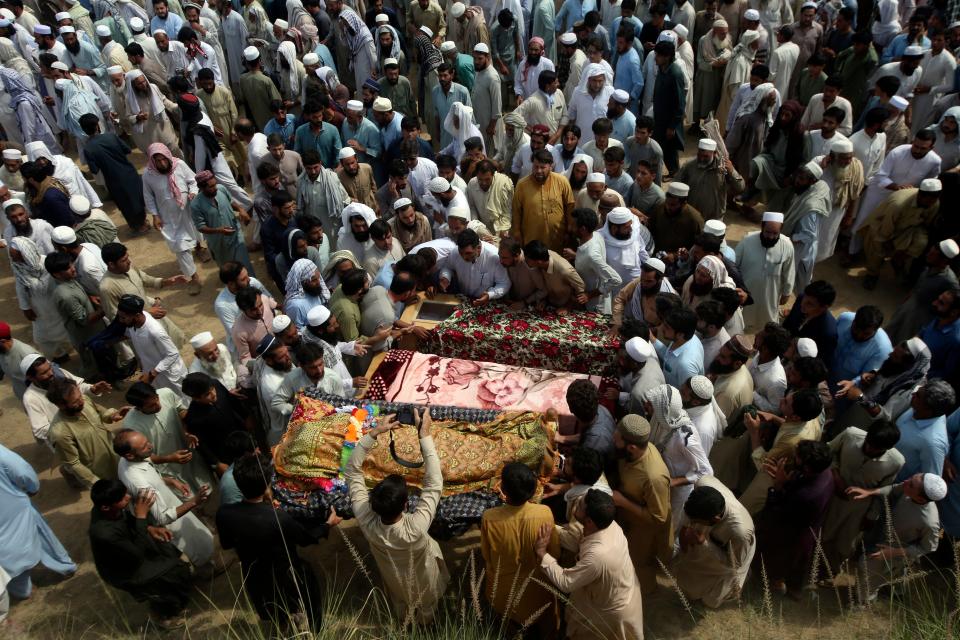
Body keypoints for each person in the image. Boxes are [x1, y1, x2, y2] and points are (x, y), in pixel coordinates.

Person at [345, 408, 448, 622]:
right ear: (406, 504)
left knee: (401, 603)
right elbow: (434, 483)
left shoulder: (366, 520)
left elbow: (352, 471)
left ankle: (406, 624)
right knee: (428, 605)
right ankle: (427, 625)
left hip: (394, 580)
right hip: (425, 580)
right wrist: (424, 434)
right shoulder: (416, 528)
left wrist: (375, 433)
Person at [217, 451, 335, 630]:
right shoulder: (278, 518)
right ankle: (316, 629)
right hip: (287, 573)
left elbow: (227, 544)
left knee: (272, 606)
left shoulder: (224, 514)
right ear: (267, 484)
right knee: (310, 597)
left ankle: (283, 625)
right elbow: (305, 539)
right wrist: (328, 524)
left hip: (254, 574)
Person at [535, 488, 645, 640]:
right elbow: (580, 540)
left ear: (588, 521)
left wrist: (542, 553)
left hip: (611, 612)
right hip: (614, 593)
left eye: (579, 505)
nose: (576, 505)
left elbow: (566, 582)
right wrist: (553, 528)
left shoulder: (598, 555)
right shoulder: (609, 524)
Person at [88, 479, 192, 630]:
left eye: (126, 493)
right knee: (175, 571)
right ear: (105, 507)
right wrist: (141, 517)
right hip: (126, 570)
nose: (128, 497)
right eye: (123, 498)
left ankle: (169, 597)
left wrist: (149, 528)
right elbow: (137, 555)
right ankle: (162, 614)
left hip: (131, 551)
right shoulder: (104, 533)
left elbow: (127, 521)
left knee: (169, 553)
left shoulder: (108, 509)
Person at [114, 429, 214, 567]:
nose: (150, 446)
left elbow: (148, 466)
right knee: (192, 546)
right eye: (144, 446)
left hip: (171, 505)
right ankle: (207, 569)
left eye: (147, 441)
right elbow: (163, 517)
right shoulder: (139, 484)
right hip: (170, 520)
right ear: (130, 455)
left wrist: (170, 481)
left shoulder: (127, 459)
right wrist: (194, 501)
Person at [478, 462, 559, 634]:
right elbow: (555, 553)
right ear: (533, 489)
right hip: (539, 594)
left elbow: (487, 556)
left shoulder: (489, 518)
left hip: (502, 597)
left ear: (504, 490)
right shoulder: (545, 512)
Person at [849, 472, 947, 604]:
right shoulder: (908, 488)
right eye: (911, 478)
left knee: (868, 576)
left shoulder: (929, 521)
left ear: (921, 499)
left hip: (892, 553)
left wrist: (892, 553)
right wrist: (870, 492)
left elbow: (928, 547)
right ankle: (894, 591)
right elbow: (893, 488)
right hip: (880, 537)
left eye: (911, 484)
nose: (905, 481)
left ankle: (863, 603)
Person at [752, 439, 834, 597]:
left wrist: (778, 486)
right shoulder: (825, 472)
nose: (793, 458)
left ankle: (776, 587)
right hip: (806, 529)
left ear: (807, 467)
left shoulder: (806, 495)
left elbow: (775, 513)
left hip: (789, 535)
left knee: (777, 564)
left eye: (797, 457)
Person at [821, 420, 905, 570]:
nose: (869, 449)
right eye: (868, 443)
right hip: (831, 494)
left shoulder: (896, 462)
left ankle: (831, 571)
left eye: (876, 449)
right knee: (823, 533)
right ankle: (814, 565)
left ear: (889, 448)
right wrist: (835, 474)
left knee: (846, 544)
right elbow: (828, 451)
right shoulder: (850, 434)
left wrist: (871, 516)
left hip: (859, 508)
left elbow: (883, 490)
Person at [0, 443, 77, 602]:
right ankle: (64, 567)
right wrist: (32, 487)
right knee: (40, 535)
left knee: (6, 556)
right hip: (15, 509)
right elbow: (21, 470)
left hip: (10, 514)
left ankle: (23, 591)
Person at [610, 414, 672, 594]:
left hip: (644, 531)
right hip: (629, 520)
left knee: (639, 565)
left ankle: (643, 596)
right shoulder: (634, 453)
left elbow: (658, 517)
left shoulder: (654, 477)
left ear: (631, 447)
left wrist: (623, 501)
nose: (613, 439)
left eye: (617, 439)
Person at [672, 476, 756, 608]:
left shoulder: (741, 533)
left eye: (695, 521)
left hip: (734, 552)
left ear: (715, 520)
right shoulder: (703, 484)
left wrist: (705, 544)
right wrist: (685, 531)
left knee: (712, 598)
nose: (692, 523)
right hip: (708, 537)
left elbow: (733, 564)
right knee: (690, 574)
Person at [122, 382, 212, 494]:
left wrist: (187, 431)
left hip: (190, 454)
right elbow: (141, 457)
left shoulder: (166, 393)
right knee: (188, 498)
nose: (158, 405)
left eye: (156, 399)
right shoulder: (132, 426)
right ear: (139, 408)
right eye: (151, 406)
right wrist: (169, 458)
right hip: (167, 468)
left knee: (207, 488)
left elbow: (181, 410)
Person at [141, 143, 203, 296]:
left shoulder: (180, 165)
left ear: (168, 156)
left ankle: (200, 248)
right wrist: (155, 215)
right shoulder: (148, 175)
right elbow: (148, 197)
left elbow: (193, 181)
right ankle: (194, 277)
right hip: (168, 217)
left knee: (195, 232)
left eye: (164, 159)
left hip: (187, 210)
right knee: (180, 247)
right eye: (158, 161)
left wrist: (193, 192)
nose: (162, 163)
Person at [859, 179, 943, 290]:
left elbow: (926, 222)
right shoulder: (898, 204)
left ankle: (898, 260)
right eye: (929, 200)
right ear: (921, 196)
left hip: (909, 226)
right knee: (878, 250)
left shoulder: (934, 203)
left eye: (934, 200)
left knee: (921, 242)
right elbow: (886, 226)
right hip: (883, 225)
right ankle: (872, 274)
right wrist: (887, 242)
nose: (932, 203)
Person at [46, 378, 126, 488]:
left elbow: (100, 411)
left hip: (115, 453)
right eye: (75, 402)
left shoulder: (84, 400)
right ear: (61, 405)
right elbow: (74, 464)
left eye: (80, 397)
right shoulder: (60, 433)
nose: (81, 401)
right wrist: (97, 483)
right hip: (99, 470)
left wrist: (112, 415)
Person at [77, 114, 147, 233]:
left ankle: (137, 226)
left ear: (84, 130)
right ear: (97, 126)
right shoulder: (111, 136)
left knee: (125, 204)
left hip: (113, 181)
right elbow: (127, 150)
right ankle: (143, 222)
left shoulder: (88, 148)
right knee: (137, 198)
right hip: (129, 173)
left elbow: (94, 169)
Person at [116, 295, 189, 403]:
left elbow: (173, 354)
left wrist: (153, 373)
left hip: (170, 376)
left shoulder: (155, 331)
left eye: (123, 317)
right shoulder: (134, 323)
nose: (121, 321)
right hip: (153, 374)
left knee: (183, 402)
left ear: (136, 315)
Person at [734, 211, 794, 331]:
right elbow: (734, 266)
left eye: (775, 233)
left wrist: (787, 292)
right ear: (762, 227)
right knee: (741, 323)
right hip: (747, 292)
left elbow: (789, 271)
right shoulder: (747, 241)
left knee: (767, 325)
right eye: (768, 232)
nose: (771, 237)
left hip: (771, 294)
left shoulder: (787, 245)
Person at [190, 171, 255, 275]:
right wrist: (219, 230)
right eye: (211, 186)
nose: (215, 188)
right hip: (218, 243)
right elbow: (201, 227)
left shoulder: (221, 189)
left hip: (235, 235)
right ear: (201, 188)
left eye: (215, 184)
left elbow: (230, 202)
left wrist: (241, 209)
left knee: (245, 266)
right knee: (229, 271)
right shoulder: (195, 205)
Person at [673, 138, 744, 221]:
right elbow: (676, 184)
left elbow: (741, 186)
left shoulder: (723, 167)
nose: (702, 159)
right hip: (692, 215)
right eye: (699, 155)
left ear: (714, 153)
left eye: (706, 156)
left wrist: (732, 171)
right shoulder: (689, 165)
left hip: (715, 217)